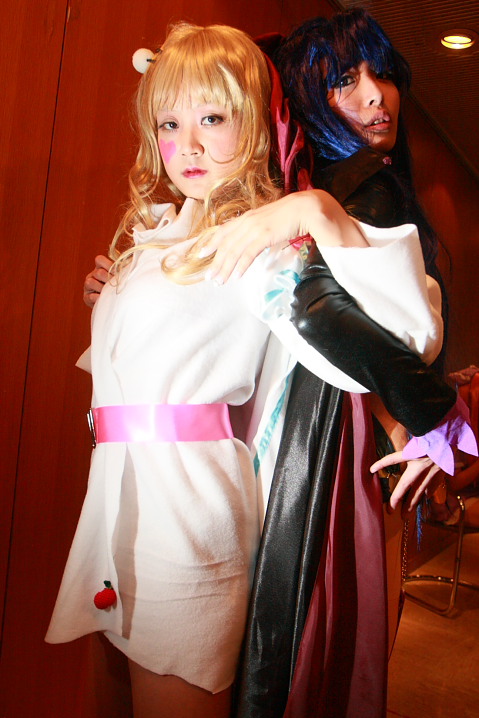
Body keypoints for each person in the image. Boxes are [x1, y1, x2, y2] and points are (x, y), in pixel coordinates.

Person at [47, 20, 451, 718]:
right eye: (169, 123)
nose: (189, 144)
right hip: (114, 509)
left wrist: (426, 421)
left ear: (255, 125)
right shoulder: (161, 234)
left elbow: (376, 331)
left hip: (186, 522)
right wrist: (117, 293)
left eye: (212, 118)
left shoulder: (257, 244)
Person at [187, 10, 477, 718]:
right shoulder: (340, 188)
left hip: (303, 429)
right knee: (312, 629)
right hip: (311, 431)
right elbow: (318, 314)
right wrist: (436, 415)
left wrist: (428, 419)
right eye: (346, 79)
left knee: (286, 633)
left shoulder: (343, 188)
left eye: (383, 74)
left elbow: (325, 315)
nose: (376, 95)